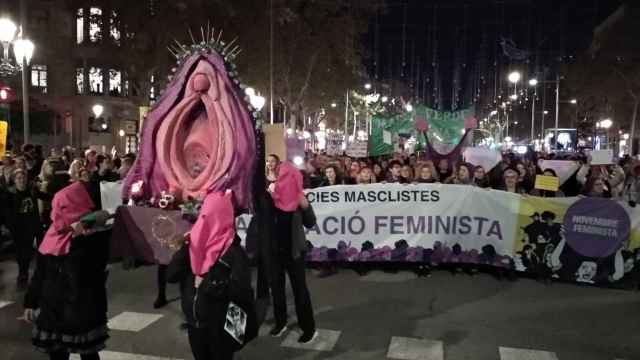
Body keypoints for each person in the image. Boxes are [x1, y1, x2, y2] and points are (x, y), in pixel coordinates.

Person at [21, 178, 110, 360]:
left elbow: (95, 268)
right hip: (53, 308)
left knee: (89, 355)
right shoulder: (53, 234)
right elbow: (40, 273)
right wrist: (30, 302)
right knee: (57, 355)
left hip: (83, 309)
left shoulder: (93, 237)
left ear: (76, 207)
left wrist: (86, 229)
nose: (54, 215)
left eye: (61, 208)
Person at [167, 191, 256, 360]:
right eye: (202, 216)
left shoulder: (234, 252)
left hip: (220, 327)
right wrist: (184, 250)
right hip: (195, 324)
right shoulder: (193, 246)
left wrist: (208, 283)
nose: (203, 222)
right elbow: (171, 276)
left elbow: (242, 292)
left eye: (208, 217)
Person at [261, 162, 317, 343]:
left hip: (294, 251)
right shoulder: (268, 196)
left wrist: (306, 206)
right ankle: (280, 322)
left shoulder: (298, 196)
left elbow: (310, 222)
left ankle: (308, 327)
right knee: (276, 289)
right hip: (273, 250)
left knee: (300, 290)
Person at [6, 169, 41, 290]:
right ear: (14, 180)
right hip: (18, 228)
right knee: (20, 253)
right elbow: (7, 212)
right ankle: (22, 273)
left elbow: (43, 196)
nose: (22, 180)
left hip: (31, 226)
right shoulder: (10, 193)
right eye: (19, 178)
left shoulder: (31, 190)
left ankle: (23, 274)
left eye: (23, 178)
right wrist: (10, 226)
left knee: (27, 252)